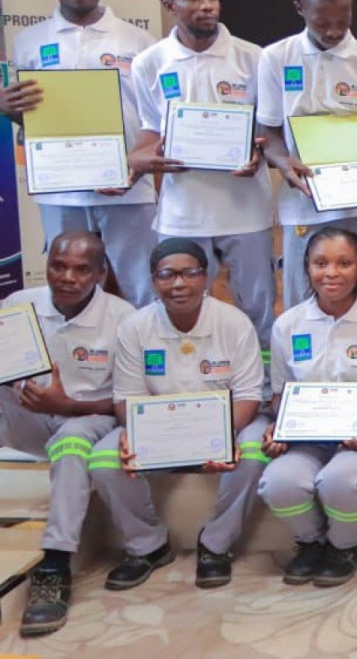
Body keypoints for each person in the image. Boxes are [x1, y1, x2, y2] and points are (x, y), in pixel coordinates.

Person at [88, 239, 268, 591]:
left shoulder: (234, 322)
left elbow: (248, 396)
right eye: (167, 274)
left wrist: (218, 440)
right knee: (105, 458)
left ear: (206, 277)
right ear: (154, 281)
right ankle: (147, 546)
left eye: (190, 273)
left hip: (225, 426)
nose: (179, 283)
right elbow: (127, 397)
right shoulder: (135, 327)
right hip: (159, 433)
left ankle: (216, 545)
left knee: (254, 452)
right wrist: (134, 433)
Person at [257, 227, 357, 587]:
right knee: (279, 482)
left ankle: (345, 545)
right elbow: (281, 392)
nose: (331, 273)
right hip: (310, 435)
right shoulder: (288, 325)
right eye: (321, 263)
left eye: (343, 263)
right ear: (307, 268)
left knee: (341, 479)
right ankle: (312, 542)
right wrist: (281, 428)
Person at [128, 0, 276, 351]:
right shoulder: (150, 63)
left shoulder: (254, 58)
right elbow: (150, 130)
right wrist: (141, 158)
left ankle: (261, 391)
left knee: (258, 306)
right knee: (182, 308)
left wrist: (258, 154)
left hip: (246, 208)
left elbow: (268, 132)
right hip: (183, 211)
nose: (206, 5)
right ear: (169, 4)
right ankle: (192, 386)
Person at [0, 0, 157, 307]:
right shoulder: (28, 41)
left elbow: (155, 116)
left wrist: (136, 165)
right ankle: (77, 362)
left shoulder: (139, 41)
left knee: (142, 284)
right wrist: (8, 108)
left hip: (127, 186)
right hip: (61, 188)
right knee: (71, 285)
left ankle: (148, 362)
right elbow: (33, 115)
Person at [0, 232, 132, 637]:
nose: (67, 277)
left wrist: (66, 405)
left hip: (87, 417)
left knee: (72, 444)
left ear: (100, 272)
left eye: (81, 269)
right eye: (59, 266)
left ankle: (55, 565)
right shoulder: (18, 305)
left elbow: (128, 403)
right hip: (30, 414)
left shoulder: (125, 318)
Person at [255, 0, 357, 304]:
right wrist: (283, 162)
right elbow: (270, 133)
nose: (335, 31)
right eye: (323, 23)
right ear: (300, 9)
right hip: (305, 201)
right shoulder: (275, 58)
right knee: (303, 296)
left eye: (343, 20)